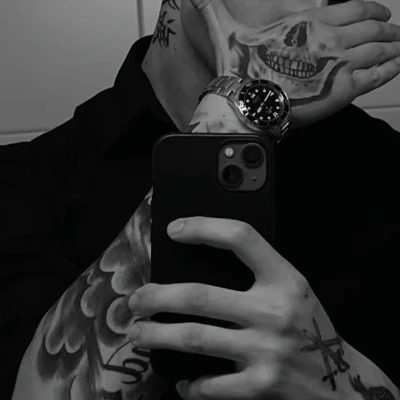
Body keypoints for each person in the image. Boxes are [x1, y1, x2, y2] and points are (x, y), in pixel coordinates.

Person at [1, 0, 400, 398]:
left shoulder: (384, 165)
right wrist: (240, 109)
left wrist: (344, 387)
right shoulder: (25, 183)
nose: (313, 7)